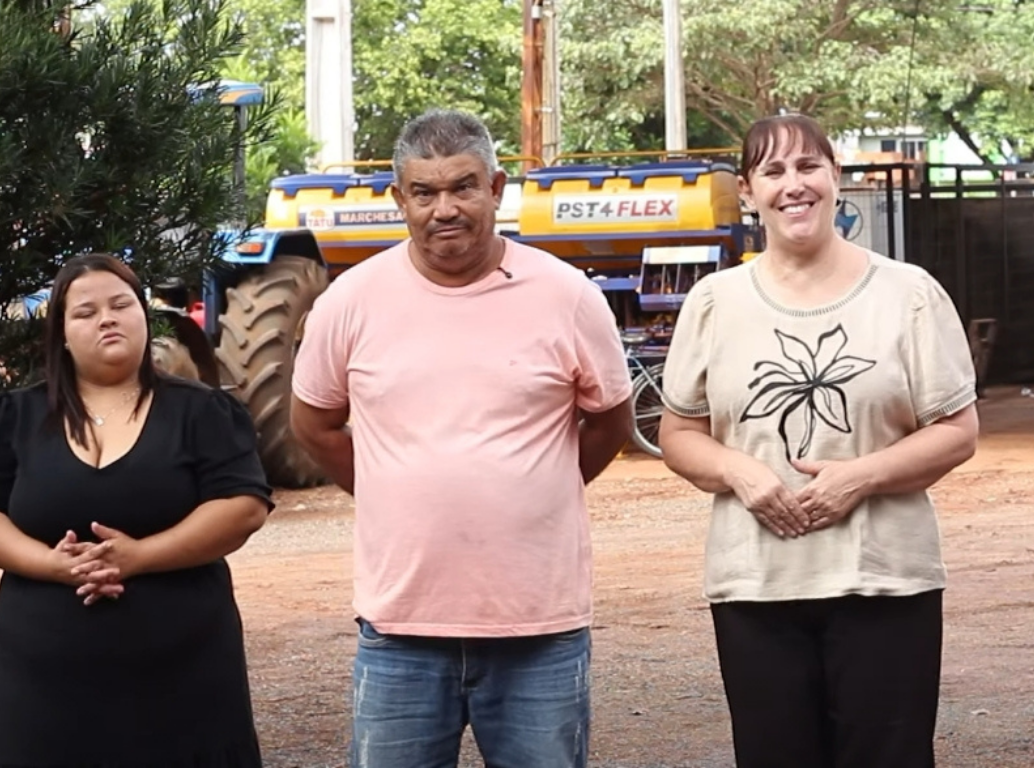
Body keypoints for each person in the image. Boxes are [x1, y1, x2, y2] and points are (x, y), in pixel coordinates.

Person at [290, 108, 633, 768]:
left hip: (539, 628)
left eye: (463, 187)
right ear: (399, 199)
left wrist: (543, 486)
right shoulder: (350, 301)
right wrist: (390, 491)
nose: (444, 209)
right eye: (424, 192)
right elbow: (314, 425)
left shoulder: (566, 295)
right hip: (401, 628)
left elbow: (610, 421)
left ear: (496, 188)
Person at [657, 113, 980, 768]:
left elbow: (957, 431)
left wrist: (861, 476)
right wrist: (741, 473)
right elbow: (679, 434)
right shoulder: (715, 302)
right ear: (748, 190)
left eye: (808, 166)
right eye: (772, 171)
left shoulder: (908, 294)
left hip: (885, 583)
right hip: (756, 587)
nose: (793, 185)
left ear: (836, 176)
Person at [0, 253, 274, 767]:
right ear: (61, 333)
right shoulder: (16, 416)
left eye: (121, 305)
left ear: (144, 316)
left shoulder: (202, 410)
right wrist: (52, 565)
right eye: (86, 312)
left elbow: (242, 506)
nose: (107, 319)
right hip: (42, 689)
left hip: (185, 677)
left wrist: (141, 556)